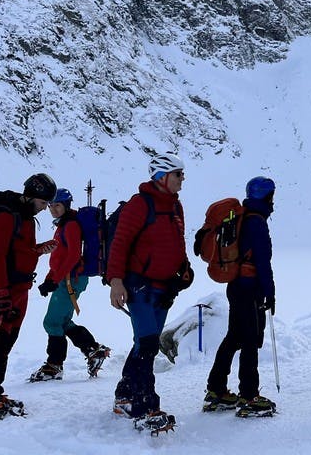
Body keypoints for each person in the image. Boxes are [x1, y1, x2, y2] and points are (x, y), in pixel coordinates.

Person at [107, 153, 193, 434]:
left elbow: (176, 240)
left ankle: (125, 393)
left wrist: (184, 267)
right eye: (178, 174)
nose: (182, 179)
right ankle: (146, 407)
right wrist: (116, 282)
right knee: (146, 343)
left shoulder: (175, 206)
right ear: (161, 176)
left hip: (165, 286)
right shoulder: (139, 204)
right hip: (139, 285)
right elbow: (120, 244)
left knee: (148, 341)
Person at [0, 173, 55, 421]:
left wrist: (41, 249)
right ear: (31, 195)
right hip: (3, 292)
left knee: (6, 344)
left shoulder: (26, 219)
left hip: (20, 290)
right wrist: (0, 293)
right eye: (42, 203)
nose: (44, 209)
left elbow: (22, 253)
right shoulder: (4, 216)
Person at [203, 176, 277, 416]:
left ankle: (216, 389)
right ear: (266, 197)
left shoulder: (242, 218)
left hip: (235, 285)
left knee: (235, 336)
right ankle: (249, 395)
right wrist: (270, 292)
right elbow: (263, 262)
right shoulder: (256, 222)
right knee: (250, 340)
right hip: (250, 287)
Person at [29, 188, 111, 382]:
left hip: (70, 279)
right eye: (50, 206)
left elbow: (73, 256)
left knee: (51, 322)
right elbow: (59, 258)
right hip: (66, 278)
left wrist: (54, 280)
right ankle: (93, 350)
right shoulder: (63, 226)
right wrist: (49, 279)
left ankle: (54, 366)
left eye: (57, 205)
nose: (53, 209)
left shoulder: (71, 226)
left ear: (66, 205)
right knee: (63, 322)